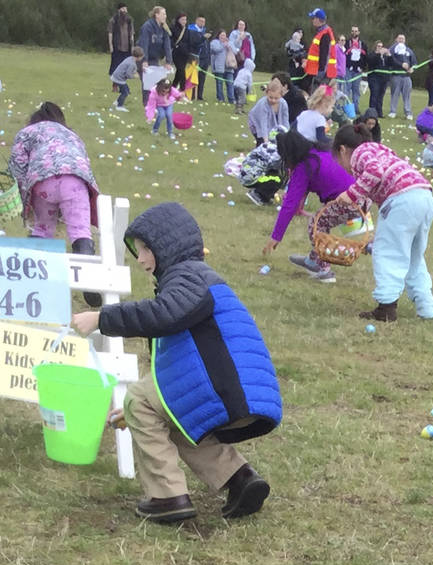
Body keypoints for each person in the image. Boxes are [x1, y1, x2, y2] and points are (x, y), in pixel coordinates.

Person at [70, 203, 277, 524]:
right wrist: (156, 407)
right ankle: (240, 478)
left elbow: (164, 315)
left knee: (138, 398)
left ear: (167, 247)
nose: (139, 259)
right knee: (175, 418)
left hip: (226, 385)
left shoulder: (187, 276)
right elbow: (176, 351)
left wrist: (102, 317)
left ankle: (167, 498)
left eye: (145, 250)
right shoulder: (195, 278)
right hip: (233, 387)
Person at [315, 122, 433, 322]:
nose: (345, 169)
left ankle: (386, 307)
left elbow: (375, 173)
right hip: (424, 196)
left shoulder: (360, 153)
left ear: (343, 150)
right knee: (414, 255)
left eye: (339, 161)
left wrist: (351, 194)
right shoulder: (379, 149)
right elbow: (378, 179)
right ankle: (426, 307)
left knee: (387, 252)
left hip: (402, 200)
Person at [8, 103, 98, 292]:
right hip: (75, 181)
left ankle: (31, 275)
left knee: (42, 227)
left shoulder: (27, 132)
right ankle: (89, 279)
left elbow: (18, 166)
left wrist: (22, 195)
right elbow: (83, 162)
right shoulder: (72, 135)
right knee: (80, 232)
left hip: (43, 180)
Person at [265, 127, 349, 280]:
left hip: (347, 202)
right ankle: (312, 260)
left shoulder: (304, 166)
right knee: (320, 220)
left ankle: (324, 271)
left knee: (317, 223)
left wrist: (276, 236)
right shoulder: (321, 153)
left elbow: (289, 205)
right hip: (360, 196)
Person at [303, 7, 338, 85]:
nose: (312, 20)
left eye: (313, 18)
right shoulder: (322, 33)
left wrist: (321, 73)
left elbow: (325, 55)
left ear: (318, 19)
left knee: (318, 96)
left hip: (323, 74)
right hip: (322, 72)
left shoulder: (325, 34)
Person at [387, 35, 413, 117]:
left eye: (403, 38)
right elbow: (390, 60)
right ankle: (393, 111)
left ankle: (408, 112)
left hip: (406, 76)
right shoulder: (392, 49)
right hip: (396, 76)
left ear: (405, 40)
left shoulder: (409, 50)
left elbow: (414, 62)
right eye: (399, 38)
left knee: (407, 95)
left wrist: (412, 68)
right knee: (394, 94)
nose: (401, 40)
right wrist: (401, 64)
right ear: (396, 39)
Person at [108, 4, 134, 74]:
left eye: (126, 9)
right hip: (117, 46)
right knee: (115, 65)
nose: (125, 11)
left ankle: (122, 79)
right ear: (119, 10)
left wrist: (132, 45)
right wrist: (111, 45)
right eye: (123, 9)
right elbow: (110, 33)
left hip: (127, 47)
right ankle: (115, 82)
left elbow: (131, 34)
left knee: (126, 65)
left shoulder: (129, 20)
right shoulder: (113, 20)